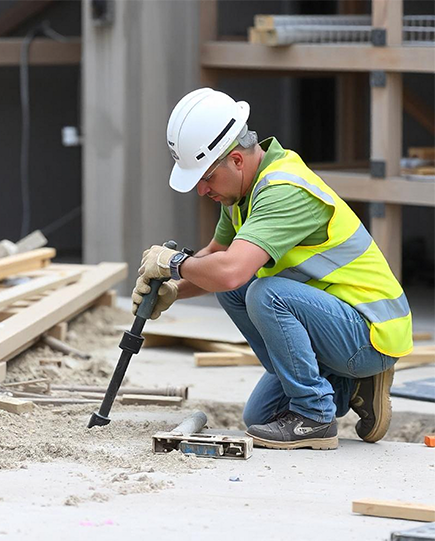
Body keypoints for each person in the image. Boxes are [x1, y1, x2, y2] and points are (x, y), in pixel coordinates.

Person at [132, 88, 413, 450]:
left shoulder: (284, 191)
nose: (202, 190)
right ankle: (351, 385)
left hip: (369, 331)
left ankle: (314, 416)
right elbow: (214, 259)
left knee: (263, 291)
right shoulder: (240, 193)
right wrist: (173, 290)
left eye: (206, 177)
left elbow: (230, 270)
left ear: (236, 159)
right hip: (337, 323)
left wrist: (172, 264)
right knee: (260, 417)